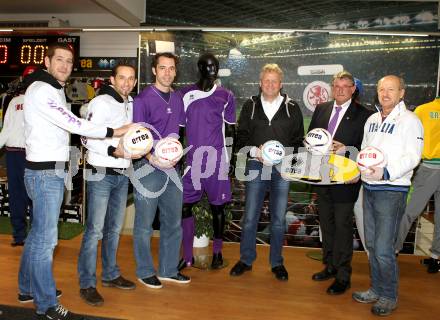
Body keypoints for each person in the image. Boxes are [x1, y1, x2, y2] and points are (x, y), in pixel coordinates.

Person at [18, 43, 134, 320]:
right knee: (46, 241)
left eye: (69, 61)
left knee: (38, 236)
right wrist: (113, 131)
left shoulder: (52, 89)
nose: (65, 65)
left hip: (51, 170)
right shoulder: (41, 90)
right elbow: (74, 125)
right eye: (59, 60)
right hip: (45, 173)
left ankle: (26, 288)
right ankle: (45, 304)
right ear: (46, 61)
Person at [352, 75, 423, 316]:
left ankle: (389, 295)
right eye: (382, 89)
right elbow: (364, 151)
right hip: (369, 188)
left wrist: (387, 171)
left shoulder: (411, 120)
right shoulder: (372, 119)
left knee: (383, 247)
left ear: (401, 92)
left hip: (392, 189)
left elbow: (413, 157)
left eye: (391, 89)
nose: (385, 93)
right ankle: (376, 288)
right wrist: (358, 171)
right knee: (372, 244)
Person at [229, 63, 304, 281]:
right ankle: (246, 259)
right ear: (260, 83)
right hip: (256, 166)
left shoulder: (292, 107)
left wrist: (290, 162)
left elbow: (299, 140)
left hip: (282, 170)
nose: (270, 84)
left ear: (281, 84)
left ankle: (277, 263)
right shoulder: (250, 106)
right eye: (266, 80)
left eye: (274, 81)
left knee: (279, 219)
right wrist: (255, 151)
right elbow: (241, 137)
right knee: (250, 217)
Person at [77, 64, 140, 306]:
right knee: (94, 231)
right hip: (101, 173)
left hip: (122, 173)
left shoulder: (130, 103)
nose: (126, 83)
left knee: (114, 229)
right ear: (112, 79)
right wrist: (114, 150)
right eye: (121, 78)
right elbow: (86, 137)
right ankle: (87, 283)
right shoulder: (101, 102)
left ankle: (110, 274)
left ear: (134, 82)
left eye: (130, 79)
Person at [308, 71, 373, 295]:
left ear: (353, 89)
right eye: (337, 86)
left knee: (343, 227)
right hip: (322, 176)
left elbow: (368, 150)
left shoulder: (365, 115)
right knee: (326, 224)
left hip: (346, 178)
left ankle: (343, 276)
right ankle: (330, 266)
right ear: (332, 87)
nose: (340, 90)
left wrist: (346, 150)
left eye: (345, 86)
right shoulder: (322, 109)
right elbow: (310, 138)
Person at [132, 52, 190, 288]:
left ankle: (168, 269)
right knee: (145, 224)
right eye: (162, 68)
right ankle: (145, 270)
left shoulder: (177, 98)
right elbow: (135, 135)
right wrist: (150, 157)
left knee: (173, 221)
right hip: (147, 166)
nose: (167, 72)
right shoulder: (142, 99)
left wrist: (176, 156)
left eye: (171, 68)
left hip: (171, 168)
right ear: (154, 71)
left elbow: (178, 132)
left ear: (175, 71)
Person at [179, 53, 236, 269]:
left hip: (217, 162)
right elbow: (179, 130)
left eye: (216, 66)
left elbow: (231, 129)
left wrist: (233, 158)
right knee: (184, 207)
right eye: (208, 66)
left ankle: (218, 253)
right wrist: (178, 156)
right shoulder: (185, 94)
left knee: (217, 208)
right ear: (200, 68)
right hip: (193, 163)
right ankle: (187, 256)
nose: (213, 70)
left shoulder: (226, 95)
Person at [395, 96, 440, 273]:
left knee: (409, 211)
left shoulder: (423, 109)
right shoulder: (422, 110)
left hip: (428, 167)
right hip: (428, 167)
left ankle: (394, 250)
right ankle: (436, 258)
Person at [0, 67, 37, 246]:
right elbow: (6, 129)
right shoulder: (15, 101)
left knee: (29, 195)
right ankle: (20, 235)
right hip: (17, 153)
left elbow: (5, 129)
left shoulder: (37, 100)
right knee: (20, 195)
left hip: (28, 153)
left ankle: (25, 236)